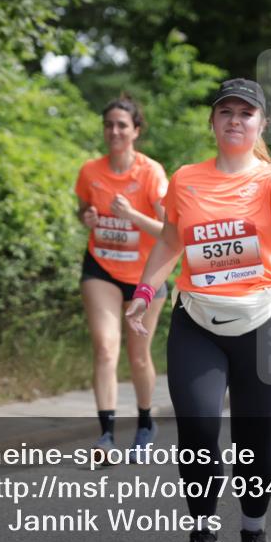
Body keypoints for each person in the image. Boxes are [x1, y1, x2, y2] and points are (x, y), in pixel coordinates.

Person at [126, 79, 271, 542]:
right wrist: (145, 291)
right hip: (197, 322)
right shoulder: (186, 179)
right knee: (198, 434)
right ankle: (204, 530)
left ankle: (253, 531)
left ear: (260, 125)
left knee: (254, 444)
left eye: (246, 113)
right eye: (225, 111)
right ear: (212, 122)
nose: (235, 119)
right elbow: (171, 240)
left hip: (262, 324)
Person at [75, 95, 167, 464]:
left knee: (138, 356)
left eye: (122, 125)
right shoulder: (90, 171)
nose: (114, 131)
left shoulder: (150, 173)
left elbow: (168, 231)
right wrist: (88, 218)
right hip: (101, 266)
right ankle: (106, 435)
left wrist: (132, 216)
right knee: (105, 346)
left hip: (146, 274)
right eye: (109, 124)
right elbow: (83, 208)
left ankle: (145, 423)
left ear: (136, 131)